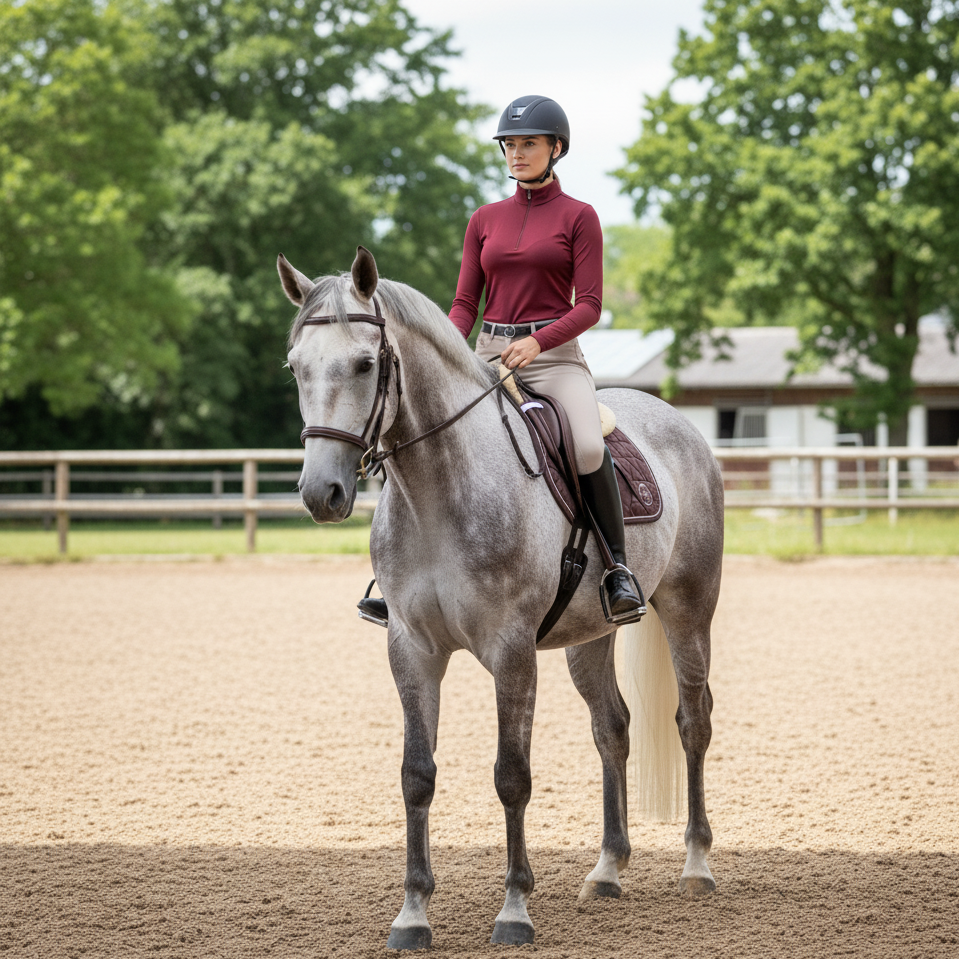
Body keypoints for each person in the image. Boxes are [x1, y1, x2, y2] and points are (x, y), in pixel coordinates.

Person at [358, 95, 644, 628]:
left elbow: (591, 305)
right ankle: (396, 575)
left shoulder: (580, 217)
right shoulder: (484, 220)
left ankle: (617, 570)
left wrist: (538, 343)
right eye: (509, 145)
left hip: (553, 357)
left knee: (584, 444)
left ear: (556, 149)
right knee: (423, 433)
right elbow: (466, 302)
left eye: (528, 144)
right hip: (486, 353)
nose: (516, 153)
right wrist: (443, 352)